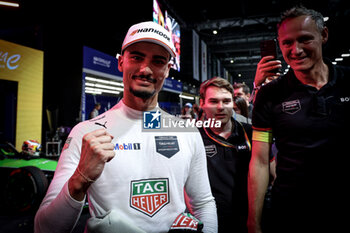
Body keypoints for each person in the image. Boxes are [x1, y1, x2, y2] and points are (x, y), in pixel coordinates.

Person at [35, 21, 217, 233]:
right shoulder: (85, 133)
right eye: (137, 57)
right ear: (121, 62)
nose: (145, 69)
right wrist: (80, 180)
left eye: (157, 61)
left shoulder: (186, 132)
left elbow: (203, 203)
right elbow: (43, 228)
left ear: (167, 70)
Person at [247, 6, 350, 233]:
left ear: (323, 36)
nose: (296, 50)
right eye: (287, 43)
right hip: (290, 211)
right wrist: (253, 221)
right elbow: (260, 162)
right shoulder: (269, 94)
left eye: (305, 39)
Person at [199, 77, 252, 233]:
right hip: (211, 221)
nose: (221, 107)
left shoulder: (251, 132)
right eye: (214, 101)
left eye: (226, 101)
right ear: (202, 103)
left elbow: (271, 172)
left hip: (249, 219)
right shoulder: (192, 136)